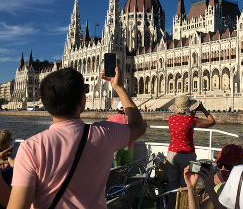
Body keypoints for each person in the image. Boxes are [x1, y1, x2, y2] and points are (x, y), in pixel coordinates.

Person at [7, 67, 146, 208]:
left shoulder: (30, 148)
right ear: (82, 102)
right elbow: (139, 126)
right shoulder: (106, 133)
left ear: (46, 104)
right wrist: (119, 88)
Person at [167, 95, 215, 191]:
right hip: (186, 155)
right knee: (186, 186)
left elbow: (184, 122)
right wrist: (202, 109)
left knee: (172, 187)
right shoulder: (190, 121)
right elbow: (211, 122)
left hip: (172, 154)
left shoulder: (171, 118)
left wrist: (192, 112)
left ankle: (171, 204)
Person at [184, 144, 243, 209]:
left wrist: (211, 190)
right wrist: (191, 188)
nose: (222, 169)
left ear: (240, 167)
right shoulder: (221, 188)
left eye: (228, 166)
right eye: (220, 164)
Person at [107, 101, 134, 166]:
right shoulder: (131, 119)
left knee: (116, 168)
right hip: (128, 146)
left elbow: (102, 125)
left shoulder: (112, 118)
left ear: (118, 109)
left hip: (116, 147)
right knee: (127, 167)